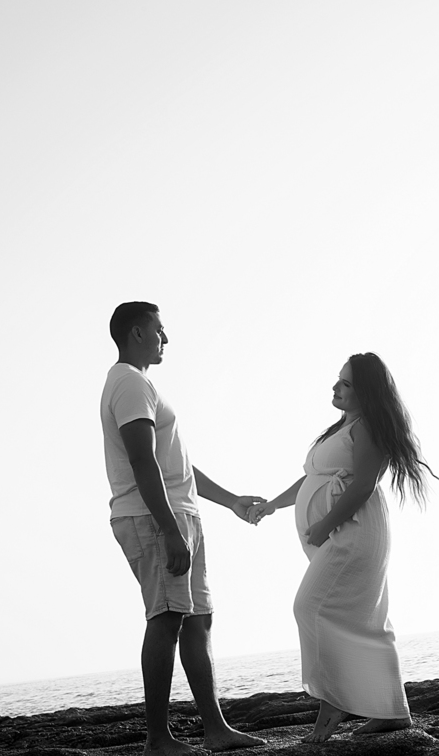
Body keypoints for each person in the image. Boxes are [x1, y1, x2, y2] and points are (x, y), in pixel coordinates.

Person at [101, 301, 266, 756]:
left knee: (197, 619)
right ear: (137, 333)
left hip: (177, 514)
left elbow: (177, 465)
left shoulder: (141, 384)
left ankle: (216, 730)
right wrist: (169, 529)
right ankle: (158, 739)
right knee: (167, 617)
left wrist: (230, 501)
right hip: (155, 519)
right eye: (159, 329)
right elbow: (142, 461)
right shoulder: (129, 383)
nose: (166, 338)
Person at [248, 352, 437, 742]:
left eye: (345, 383)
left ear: (365, 390)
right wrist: (272, 505)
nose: (335, 387)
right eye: (338, 379)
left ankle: (333, 702)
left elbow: (364, 485)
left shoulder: (367, 427)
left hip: (353, 530)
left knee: (310, 607)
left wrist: (325, 524)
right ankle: (392, 711)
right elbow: (312, 478)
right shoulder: (341, 428)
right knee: (363, 617)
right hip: (337, 532)